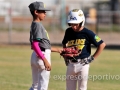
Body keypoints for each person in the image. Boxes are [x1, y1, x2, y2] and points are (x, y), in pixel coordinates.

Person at [62, 9, 106, 90]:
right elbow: (64, 43)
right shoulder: (68, 31)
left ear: (82, 21)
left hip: (83, 64)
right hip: (71, 64)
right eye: (72, 24)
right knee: (69, 88)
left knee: (82, 88)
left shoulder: (88, 33)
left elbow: (102, 44)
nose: (74, 26)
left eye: (76, 24)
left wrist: (92, 58)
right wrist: (65, 55)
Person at [28, 1, 62, 90]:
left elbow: (38, 45)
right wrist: (45, 60)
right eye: (42, 11)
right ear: (36, 12)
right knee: (43, 87)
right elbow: (35, 45)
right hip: (42, 56)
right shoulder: (38, 25)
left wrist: (58, 50)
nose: (45, 13)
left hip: (36, 56)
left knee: (35, 86)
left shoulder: (34, 24)